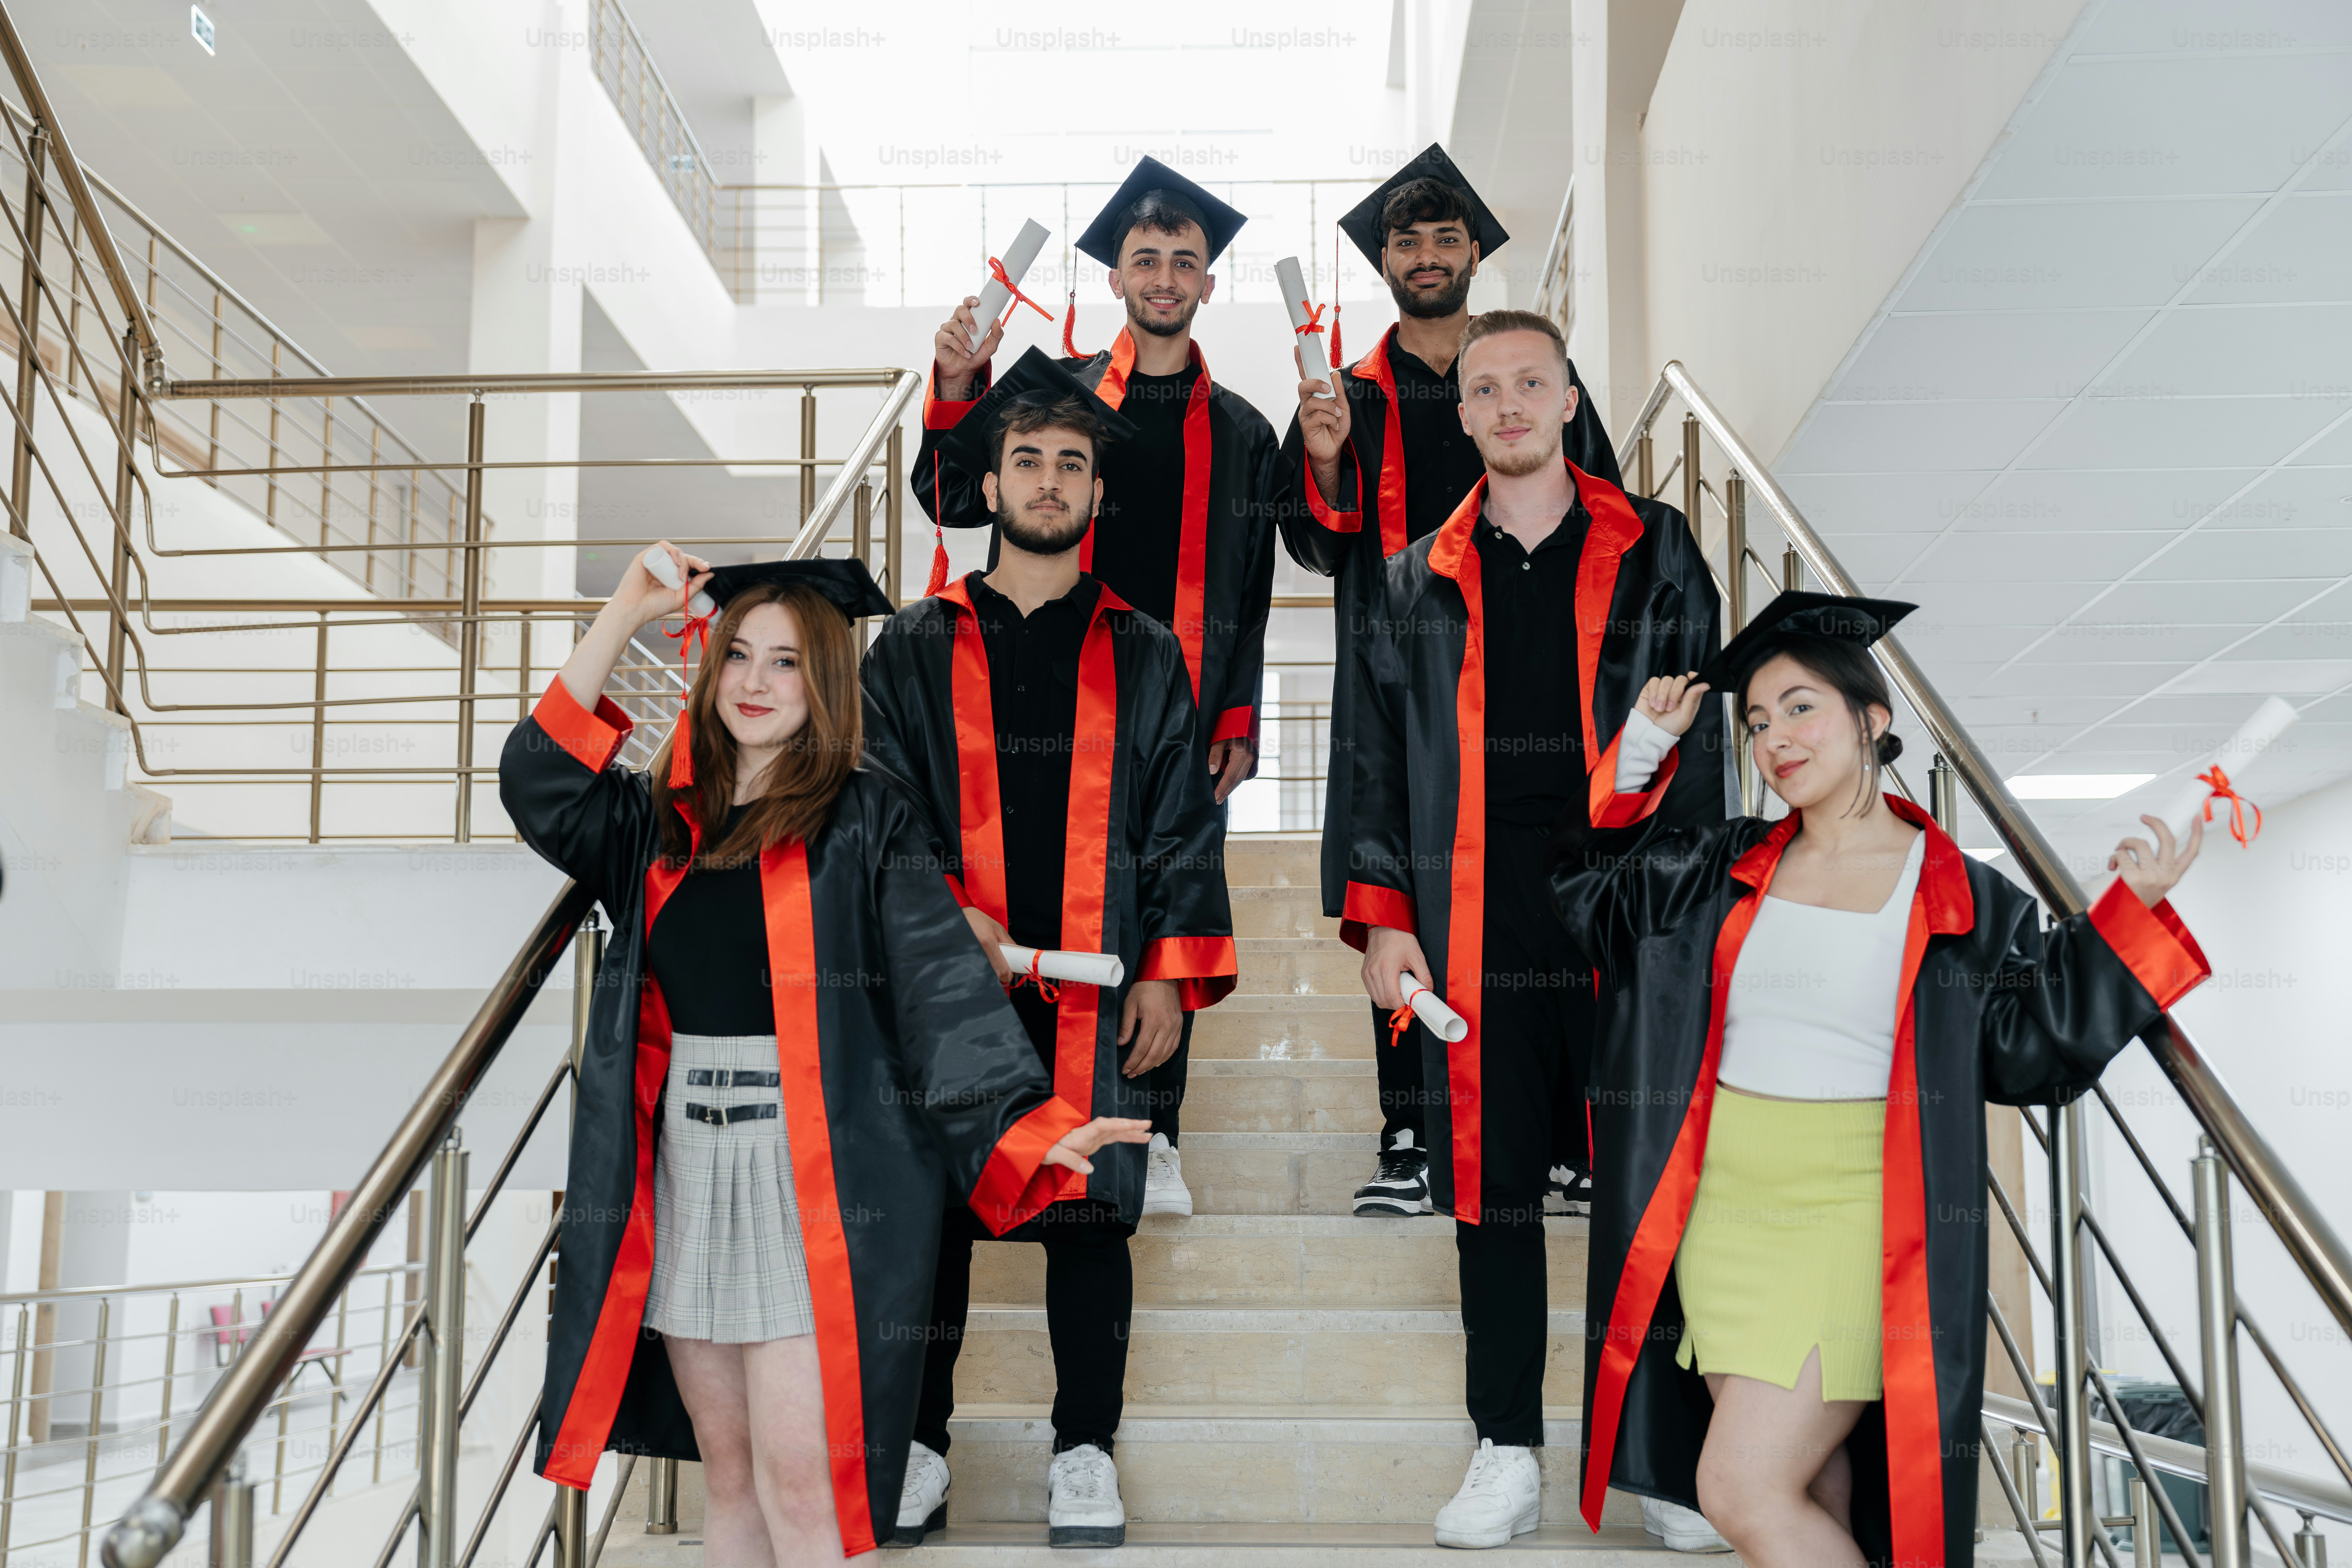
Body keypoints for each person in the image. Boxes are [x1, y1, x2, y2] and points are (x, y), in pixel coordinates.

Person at [503, 550, 1149, 1563]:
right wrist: (629, 606)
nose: (756, 685)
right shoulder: (661, 825)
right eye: (739, 660)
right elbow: (541, 780)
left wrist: (1033, 1132)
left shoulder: (866, 818)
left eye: (788, 663)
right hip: (685, 1169)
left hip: (810, 1177)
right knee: (731, 1483)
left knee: (803, 1485)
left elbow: (942, 989)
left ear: (827, 685)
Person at [1553, 592, 2210, 1568]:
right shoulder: (1724, 865)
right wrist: (1644, 745)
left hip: (1855, 1214)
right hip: (1722, 1211)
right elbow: (1585, 904)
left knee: (1738, 1487)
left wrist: (2128, 919)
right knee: (1815, 1486)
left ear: (1873, 720)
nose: (1777, 737)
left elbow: (2030, 1050)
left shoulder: (1958, 893)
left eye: (1803, 707)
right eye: (1760, 721)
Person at [1342, 308, 1730, 1549]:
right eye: (1483, 388)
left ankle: (1663, 1464)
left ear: (1570, 401)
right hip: (1473, 917)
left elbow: (1698, 745)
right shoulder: (1412, 579)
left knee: (1646, 1183)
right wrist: (1385, 922)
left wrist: (1683, 913)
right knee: (1492, 1192)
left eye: (1532, 383)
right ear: (1459, 416)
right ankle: (1505, 1448)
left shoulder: (1656, 548)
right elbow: (1372, 765)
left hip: (1623, 909)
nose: (1507, 404)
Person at [864, 353, 1237, 1548]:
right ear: (987, 482)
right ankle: (920, 1445)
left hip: (1100, 979)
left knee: (1090, 1214)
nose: (1049, 478)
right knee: (935, 1217)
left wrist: (1177, 975)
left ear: (1094, 491)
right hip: (945, 984)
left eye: (1072, 461)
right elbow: (877, 806)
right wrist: (937, 910)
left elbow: (1181, 818)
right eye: (1026, 458)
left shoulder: (1144, 650)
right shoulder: (913, 646)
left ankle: (1084, 1452)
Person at [917, 156, 1286, 1215]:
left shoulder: (1247, 431)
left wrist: (1239, 713)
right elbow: (952, 492)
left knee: (1165, 902)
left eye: (1185, 261)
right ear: (1116, 277)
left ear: (1209, 282)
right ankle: (1013, 1122)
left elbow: (1253, 590)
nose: (1165, 277)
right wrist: (957, 385)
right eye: (1146, 259)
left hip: (1177, 713)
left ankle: (1153, 1131)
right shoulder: (1058, 394)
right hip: (1037, 689)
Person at [1280, 145, 1631, 1220]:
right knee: (1399, 890)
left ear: (1475, 251)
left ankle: (1566, 1139)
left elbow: (1606, 517)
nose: (1426, 255)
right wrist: (1330, 457)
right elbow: (1307, 542)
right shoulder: (1347, 390)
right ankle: (1410, 1132)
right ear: (1382, 259)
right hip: (1401, 696)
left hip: (1535, 691)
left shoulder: (1519, 379)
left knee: (1546, 898)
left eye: (1445, 236)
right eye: (1406, 239)